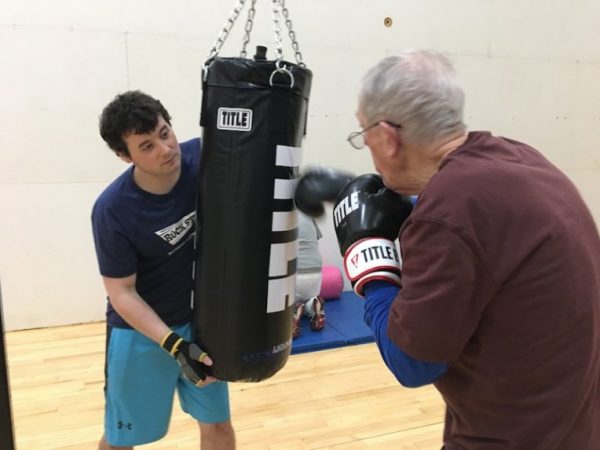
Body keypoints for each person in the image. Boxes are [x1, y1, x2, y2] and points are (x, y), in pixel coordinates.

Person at [297, 49, 600, 449]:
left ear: (387, 138)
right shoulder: (521, 159)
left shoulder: (450, 211)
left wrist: (366, 256)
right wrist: (354, 195)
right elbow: (470, 233)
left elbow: (412, 362)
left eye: (362, 135)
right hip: (572, 427)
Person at [91, 91, 236, 450]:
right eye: (147, 146)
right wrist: (174, 345)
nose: (165, 149)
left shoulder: (202, 156)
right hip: (141, 334)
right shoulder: (112, 210)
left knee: (217, 424)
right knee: (121, 438)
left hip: (200, 325)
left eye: (164, 133)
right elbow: (121, 292)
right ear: (124, 156)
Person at [292, 210, 326, 339]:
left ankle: (291, 312)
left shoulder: (279, 213)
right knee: (306, 297)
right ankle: (311, 305)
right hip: (315, 273)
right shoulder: (309, 212)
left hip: (294, 275)